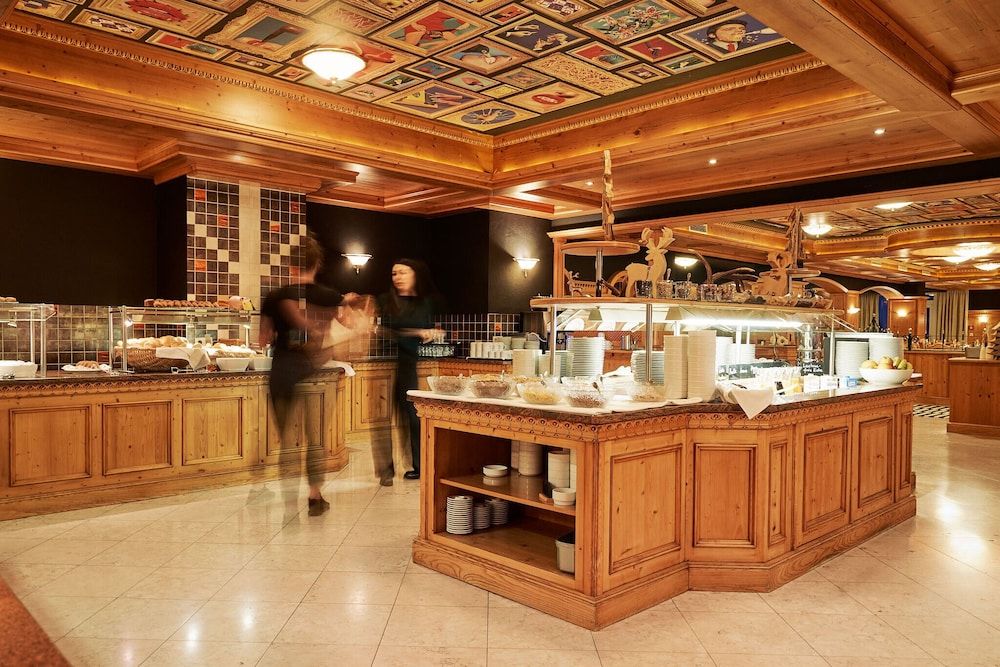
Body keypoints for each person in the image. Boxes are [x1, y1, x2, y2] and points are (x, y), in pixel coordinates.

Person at [260, 236, 358, 515]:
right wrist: (346, 305)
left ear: (291, 266)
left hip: (282, 373)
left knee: (288, 442)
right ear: (317, 265)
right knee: (315, 439)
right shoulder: (331, 296)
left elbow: (262, 339)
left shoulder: (274, 297)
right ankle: (315, 497)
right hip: (316, 374)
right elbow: (350, 326)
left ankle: (288, 504)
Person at [377, 259, 442, 481]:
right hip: (385, 364)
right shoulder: (386, 300)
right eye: (394, 273)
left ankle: (419, 465)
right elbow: (385, 332)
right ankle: (386, 470)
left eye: (403, 272)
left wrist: (428, 333)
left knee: (412, 417)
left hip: (406, 364)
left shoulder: (424, 303)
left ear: (415, 275)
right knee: (383, 419)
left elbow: (419, 331)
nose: (397, 277)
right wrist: (417, 333)